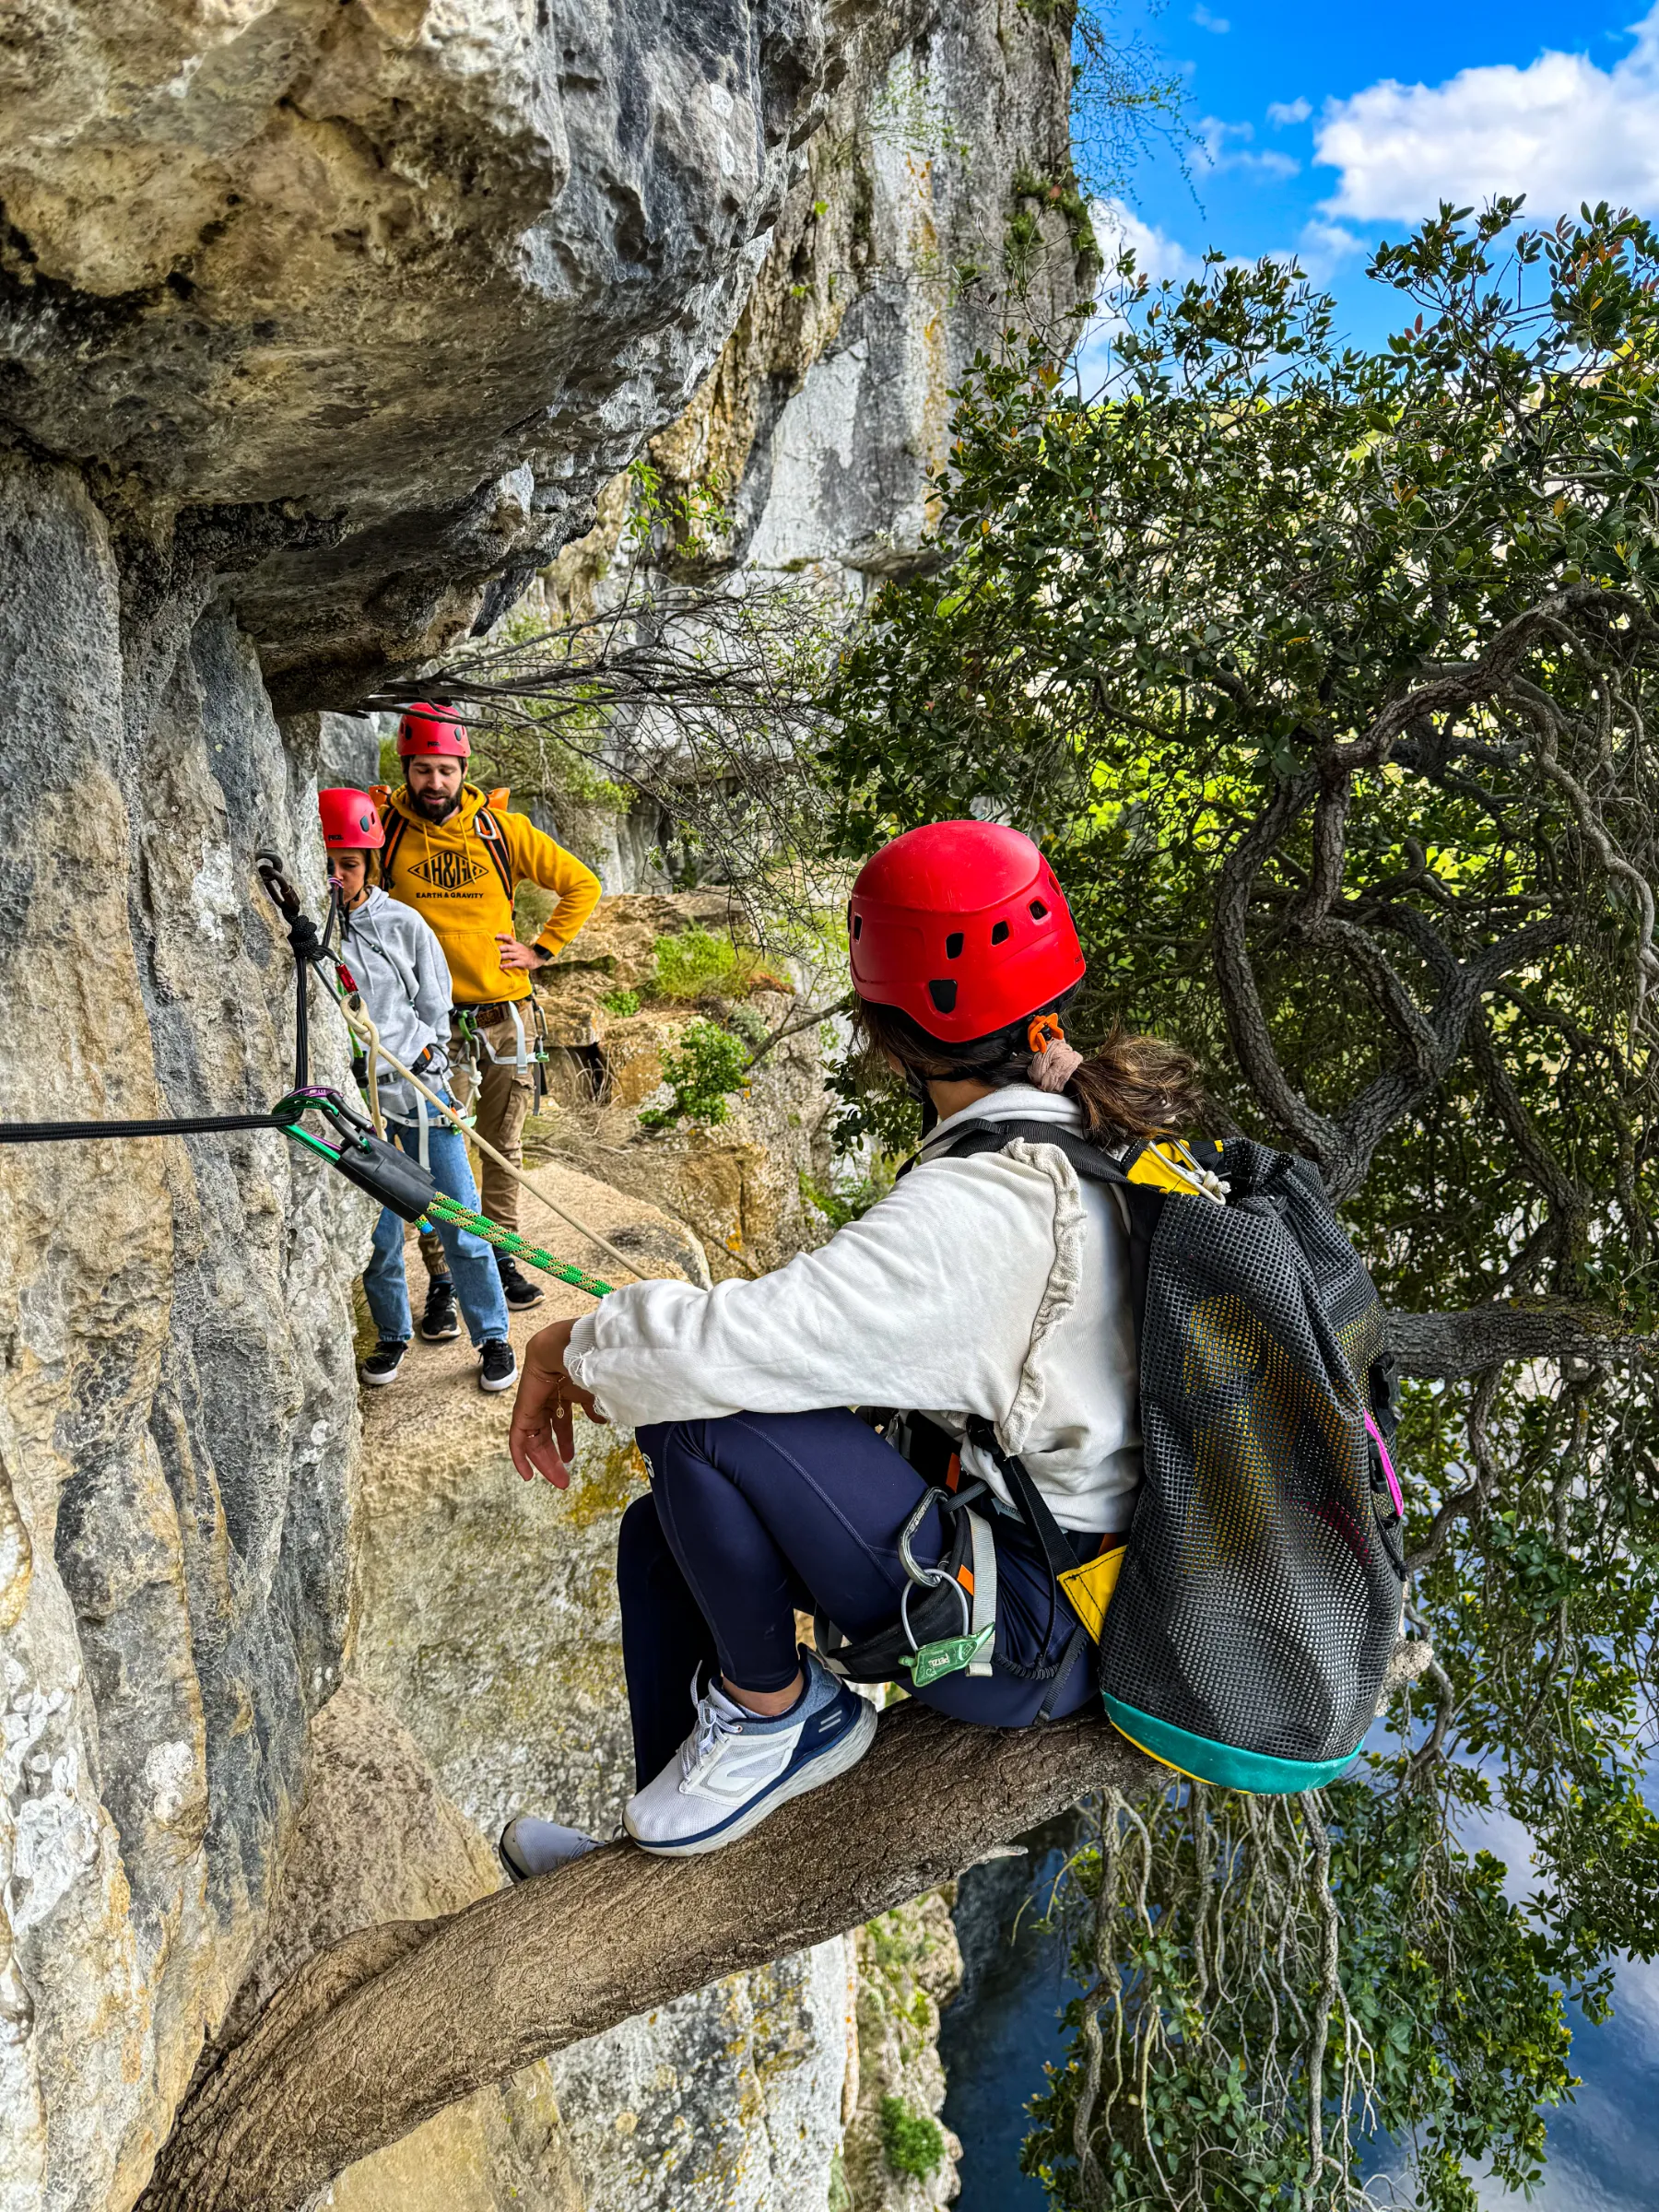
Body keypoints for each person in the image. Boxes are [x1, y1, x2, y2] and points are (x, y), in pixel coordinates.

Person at [497, 820, 1205, 1877]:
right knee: (661, 1538)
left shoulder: (983, 1206)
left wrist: (569, 1344)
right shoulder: (1084, 1131)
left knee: (702, 1423)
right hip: (1088, 1577)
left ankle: (780, 1712)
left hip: (1031, 1634)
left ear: (888, 1033)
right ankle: (673, 1842)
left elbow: (719, 1354)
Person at [378, 702, 602, 1335]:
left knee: (503, 1144)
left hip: (504, 1014)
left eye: (446, 770)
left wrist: (540, 950)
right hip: (428, 1025)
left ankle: (500, 1255)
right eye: (423, 769)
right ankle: (446, 1276)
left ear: (463, 770)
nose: (435, 783)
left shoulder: (503, 831)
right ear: (407, 768)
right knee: (431, 1150)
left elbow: (582, 884)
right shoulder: (385, 831)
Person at [319, 787, 519, 1395]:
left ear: (371, 863)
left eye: (350, 863)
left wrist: (435, 1064)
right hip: (358, 1106)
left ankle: (492, 1335)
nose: (338, 876)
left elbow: (436, 1005)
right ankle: (392, 1334)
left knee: (460, 1219)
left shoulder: (403, 924)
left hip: (416, 1089)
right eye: (328, 863)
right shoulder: (315, 936)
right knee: (379, 1236)